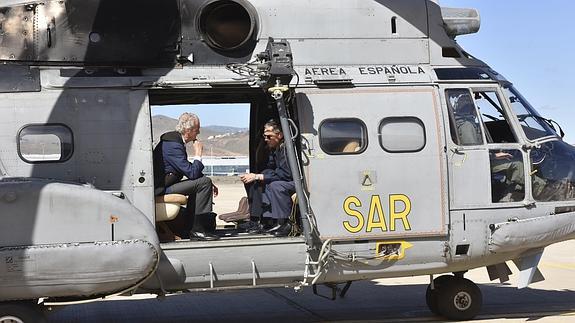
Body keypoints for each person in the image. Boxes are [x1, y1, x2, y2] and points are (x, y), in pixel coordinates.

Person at [153, 112, 219, 241]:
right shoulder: (173, 145)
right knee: (204, 182)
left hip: (167, 184)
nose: (198, 133)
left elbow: (186, 169)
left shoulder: (173, 142)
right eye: (197, 130)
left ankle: (190, 228)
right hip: (161, 187)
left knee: (203, 183)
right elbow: (191, 172)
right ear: (189, 130)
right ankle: (198, 230)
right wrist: (198, 153)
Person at [240, 120, 295, 237]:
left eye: (269, 136)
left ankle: (284, 223)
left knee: (275, 185)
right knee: (255, 181)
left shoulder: (286, 149)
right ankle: (260, 221)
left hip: (293, 182)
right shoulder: (275, 149)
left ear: (280, 135)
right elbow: (270, 167)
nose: (266, 139)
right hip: (283, 177)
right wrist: (258, 176)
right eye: (264, 136)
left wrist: (259, 176)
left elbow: (286, 174)